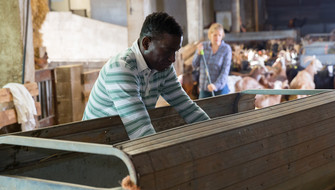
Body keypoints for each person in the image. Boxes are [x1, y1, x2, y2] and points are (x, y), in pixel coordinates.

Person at [83, 12, 210, 140]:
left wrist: (215, 132)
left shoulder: (163, 68)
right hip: (95, 145)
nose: (172, 59)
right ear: (146, 43)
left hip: (121, 140)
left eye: (175, 51)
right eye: (168, 51)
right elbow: (141, 131)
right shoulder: (122, 68)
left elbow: (186, 107)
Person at [192, 23, 232, 99]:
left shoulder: (226, 49)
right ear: (210, 35)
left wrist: (215, 85)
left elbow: (225, 71)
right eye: (215, 35)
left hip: (220, 89)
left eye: (219, 35)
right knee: (202, 109)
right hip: (205, 88)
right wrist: (198, 53)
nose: (217, 37)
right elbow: (195, 65)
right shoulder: (203, 46)